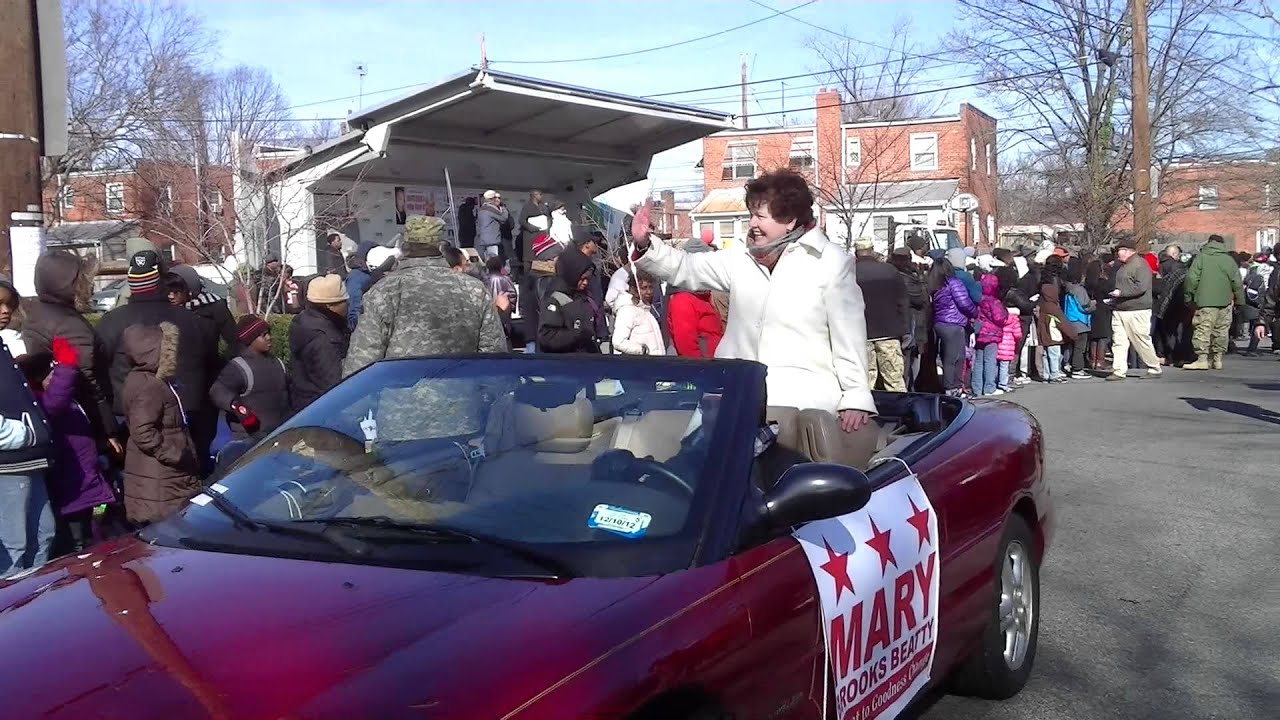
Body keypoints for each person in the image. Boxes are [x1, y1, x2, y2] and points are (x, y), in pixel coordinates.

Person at [630, 169, 877, 441]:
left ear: (789, 220)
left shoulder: (830, 262)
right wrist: (645, 244)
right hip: (732, 397)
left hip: (799, 406)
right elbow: (686, 267)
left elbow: (848, 332)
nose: (752, 224)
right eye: (751, 215)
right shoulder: (742, 258)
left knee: (780, 467)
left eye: (760, 216)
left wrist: (856, 396)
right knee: (694, 458)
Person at [343, 216, 507, 375]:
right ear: (442, 247)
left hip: (401, 392)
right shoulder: (474, 290)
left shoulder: (383, 292)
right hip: (463, 390)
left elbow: (361, 363)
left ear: (405, 247)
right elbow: (494, 356)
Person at [98, 250, 220, 461]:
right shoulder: (195, 322)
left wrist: (107, 425)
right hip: (185, 419)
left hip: (130, 423)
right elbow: (211, 367)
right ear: (162, 281)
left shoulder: (110, 323)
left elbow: (96, 373)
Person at [17, 339, 118, 553]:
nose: (57, 380)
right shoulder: (44, 405)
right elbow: (58, 395)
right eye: (52, 376)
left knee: (97, 529)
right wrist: (66, 366)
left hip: (92, 487)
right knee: (77, 543)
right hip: (73, 494)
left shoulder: (72, 403)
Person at [21, 251, 118, 448]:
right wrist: (108, 430)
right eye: (84, 281)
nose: (91, 286)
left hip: (49, 409)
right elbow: (88, 384)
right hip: (79, 420)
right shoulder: (70, 326)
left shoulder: (36, 312)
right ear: (68, 285)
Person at [120, 323, 201, 525]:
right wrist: (174, 454)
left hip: (161, 474)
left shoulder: (143, 379)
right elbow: (142, 431)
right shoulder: (151, 386)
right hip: (162, 476)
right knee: (170, 528)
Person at [0, 339, 54, 577]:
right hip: (8, 463)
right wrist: (26, 433)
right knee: (13, 547)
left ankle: (33, 591)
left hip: (28, 458)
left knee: (43, 534)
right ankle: (11, 596)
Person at [210, 316, 290, 441]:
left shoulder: (278, 363)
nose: (269, 338)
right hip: (249, 437)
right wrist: (236, 406)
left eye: (268, 333)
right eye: (263, 335)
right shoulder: (238, 367)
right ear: (250, 340)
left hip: (280, 433)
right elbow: (218, 391)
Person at [1182, 234, 1245, 370]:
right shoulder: (1228, 260)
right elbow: (1237, 282)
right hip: (1225, 301)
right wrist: (1240, 301)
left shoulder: (1201, 258)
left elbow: (1191, 279)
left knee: (1203, 329)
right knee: (1221, 330)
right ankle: (1217, 359)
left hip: (1204, 301)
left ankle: (1202, 359)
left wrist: (1188, 297)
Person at [853, 239, 909, 392]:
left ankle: (868, 406)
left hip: (861, 333)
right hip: (889, 332)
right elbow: (903, 301)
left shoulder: (849, 273)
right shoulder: (889, 270)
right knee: (894, 380)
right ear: (872, 250)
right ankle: (900, 406)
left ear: (856, 252)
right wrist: (905, 329)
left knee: (864, 382)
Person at [289, 275, 350, 412]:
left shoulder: (304, 321)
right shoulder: (324, 337)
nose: (348, 305)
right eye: (344, 301)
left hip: (305, 404)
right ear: (330, 306)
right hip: (323, 408)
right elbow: (333, 383)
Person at [1105, 240, 1163, 380]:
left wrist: (1121, 293)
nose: (1117, 253)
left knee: (1141, 339)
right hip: (1120, 308)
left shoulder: (1140, 264)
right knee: (1119, 341)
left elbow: (1141, 287)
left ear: (1127, 251)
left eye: (1119, 250)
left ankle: (1154, 367)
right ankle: (1118, 370)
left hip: (1137, 309)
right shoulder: (1122, 266)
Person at [538, 243, 602, 354]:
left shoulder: (583, 297)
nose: (585, 283)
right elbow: (547, 337)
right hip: (563, 360)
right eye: (582, 279)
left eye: (588, 279)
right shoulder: (554, 299)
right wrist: (577, 334)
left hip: (585, 357)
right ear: (573, 274)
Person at [930, 258, 977, 397]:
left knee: (948, 356)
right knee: (955, 358)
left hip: (939, 323)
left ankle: (952, 387)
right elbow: (964, 303)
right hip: (954, 323)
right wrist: (974, 312)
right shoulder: (953, 283)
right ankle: (952, 388)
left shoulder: (933, 285)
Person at [166, 265, 237, 354]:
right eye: (168, 291)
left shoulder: (213, 306)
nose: (171, 296)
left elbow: (232, 339)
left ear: (189, 289)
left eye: (176, 292)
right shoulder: (166, 309)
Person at [890, 247, 930, 392]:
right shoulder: (905, 278)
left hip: (899, 323)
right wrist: (921, 277)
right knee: (909, 361)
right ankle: (908, 390)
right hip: (911, 323)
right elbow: (921, 299)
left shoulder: (890, 274)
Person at [611, 270, 667, 355]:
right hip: (640, 361)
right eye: (644, 288)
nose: (649, 292)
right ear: (634, 289)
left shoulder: (645, 309)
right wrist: (642, 350)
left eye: (651, 287)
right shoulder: (627, 310)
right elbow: (618, 342)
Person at [973, 273, 1010, 396]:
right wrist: (1006, 313)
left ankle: (977, 388)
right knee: (990, 360)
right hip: (992, 334)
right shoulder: (994, 301)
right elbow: (999, 317)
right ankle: (989, 387)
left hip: (979, 333)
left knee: (978, 361)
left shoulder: (978, 299)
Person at [1153, 245, 1190, 365]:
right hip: (1176, 302)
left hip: (1163, 301)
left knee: (1164, 331)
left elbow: (1160, 283)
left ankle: (1165, 355)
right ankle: (1177, 356)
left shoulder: (1161, 264)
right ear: (1174, 254)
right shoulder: (1178, 268)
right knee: (1177, 331)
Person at [1037, 280, 1075, 383]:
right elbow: (1062, 322)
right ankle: (1054, 375)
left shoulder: (1042, 305)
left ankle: (1046, 375)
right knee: (1054, 355)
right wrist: (1072, 335)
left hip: (1044, 335)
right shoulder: (1053, 307)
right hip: (1053, 335)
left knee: (1046, 355)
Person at [1062, 265, 1095, 378]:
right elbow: (1085, 306)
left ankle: (1066, 364)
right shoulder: (1079, 290)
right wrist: (1094, 304)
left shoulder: (1066, 288)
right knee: (1080, 347)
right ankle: (1077, 369)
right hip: (1079, 320)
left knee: (1069, 346)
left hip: (1069, 319)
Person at [518, 190, 549, 268]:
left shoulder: (543, 207)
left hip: (542, 234)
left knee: (541, 256)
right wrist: (532, 228)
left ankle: (540, 274)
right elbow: (522, 220)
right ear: (534, 196)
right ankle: (528, 274)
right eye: (540, 194)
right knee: (530, 258)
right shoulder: (527, 206)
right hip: (531, 236)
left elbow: (548, 218)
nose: (542, 196)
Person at [476, 190, 509, 260]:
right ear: (492, 199)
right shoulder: (491, 209)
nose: (497, 200)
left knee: (488, 261)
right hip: (492, 240)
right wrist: (503, 207)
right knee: (494, 261)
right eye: (495, 198)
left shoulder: (482, 209)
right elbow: (503, 218)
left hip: (484, 240)